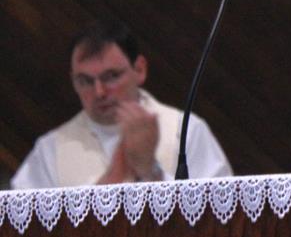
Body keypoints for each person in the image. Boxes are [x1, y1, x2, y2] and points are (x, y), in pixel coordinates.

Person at [12, 20, 231, 189]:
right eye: (85, 81)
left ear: (140, 70)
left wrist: (150, 171)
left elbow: (217, 217)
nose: (99, 92)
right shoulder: (50, 150)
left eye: (111, 76)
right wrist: (114, 176)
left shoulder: (186, 131)